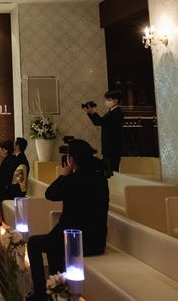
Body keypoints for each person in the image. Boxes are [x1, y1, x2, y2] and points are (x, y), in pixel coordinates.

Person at [26, 139, 109, 300]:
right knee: (52, 244)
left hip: (75, 242)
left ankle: (42, 293)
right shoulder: (100, 179)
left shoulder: (73, 180)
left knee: (34, 243)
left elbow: (50, 194)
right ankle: (55, 288)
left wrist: (63, 175)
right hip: (96, 241)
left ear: (71, 160)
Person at [84, 90, 124, 174]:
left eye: (109, 99)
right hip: (109, 147)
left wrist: (93, 112)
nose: (106, 101)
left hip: (112, 148)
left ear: (116, 100)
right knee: (108, 170)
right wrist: (90, 113)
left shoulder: (116, 112)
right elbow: (98, 122)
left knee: (111, 171)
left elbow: (101, 122)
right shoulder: (111, 112)